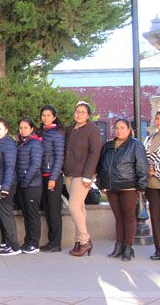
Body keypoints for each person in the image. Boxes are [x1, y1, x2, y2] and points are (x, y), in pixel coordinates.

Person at [97, 118, 148, 261]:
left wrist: (141, 186)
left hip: (129, 187)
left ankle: (128, 247)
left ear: (129, 129)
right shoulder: (108, 146)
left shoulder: (135, 145)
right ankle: (118, 246)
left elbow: (142, 166)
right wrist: (101, 184)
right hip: (112, 188)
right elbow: (101, 166)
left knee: (129, 217)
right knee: (118, 218)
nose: (119, 130)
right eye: (117, 128)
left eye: (122, 128)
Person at [64, 101, 102, 257]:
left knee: (73, 206)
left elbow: (95, 153)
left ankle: (85, 241)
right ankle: (79, 240)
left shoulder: (92, 129)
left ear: (88, 115)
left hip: (82, 175)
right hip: (69, 174)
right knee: (79, 208)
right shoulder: (70, 129)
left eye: (82, 112)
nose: (79, 114)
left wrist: (88, 176)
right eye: (77, 111)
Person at [0, 118, 20, 256]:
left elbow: (10, 167)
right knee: (0, 214)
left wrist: (5, 187)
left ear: (6, 130)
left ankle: (14, 246)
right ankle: (6, 242)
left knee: (6, 215)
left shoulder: (8, 144)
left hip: (5, 185)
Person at [38, 105, 65, 252]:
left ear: (54, 117)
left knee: (54, 211)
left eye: (49, 115)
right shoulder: (42, 132)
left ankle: (56, 243)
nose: (45, 117)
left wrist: (53, 178)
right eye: (43, 115)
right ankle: (51, 241)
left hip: (52, 177)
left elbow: (59, 157)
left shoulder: (56, 133)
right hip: (41, 176)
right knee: (47, 210)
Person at [16, 118, 44, 254]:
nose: (23, 130)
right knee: (26, 214)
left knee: (32, 214)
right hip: (23, 184)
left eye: (26, 127)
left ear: (32, 129)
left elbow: (35, 165)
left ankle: (34, 243)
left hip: (32, 185)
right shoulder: (22, 143)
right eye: (21, 128)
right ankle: (28, 241)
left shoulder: (35, 143)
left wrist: (26, 180)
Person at [144, 109, 160, 260]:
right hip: (151, 184)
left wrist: (155, 169)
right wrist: (147, 170)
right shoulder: (149, 139)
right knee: (156, 217)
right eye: (157, 118)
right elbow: (143, 158)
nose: (159, 121)